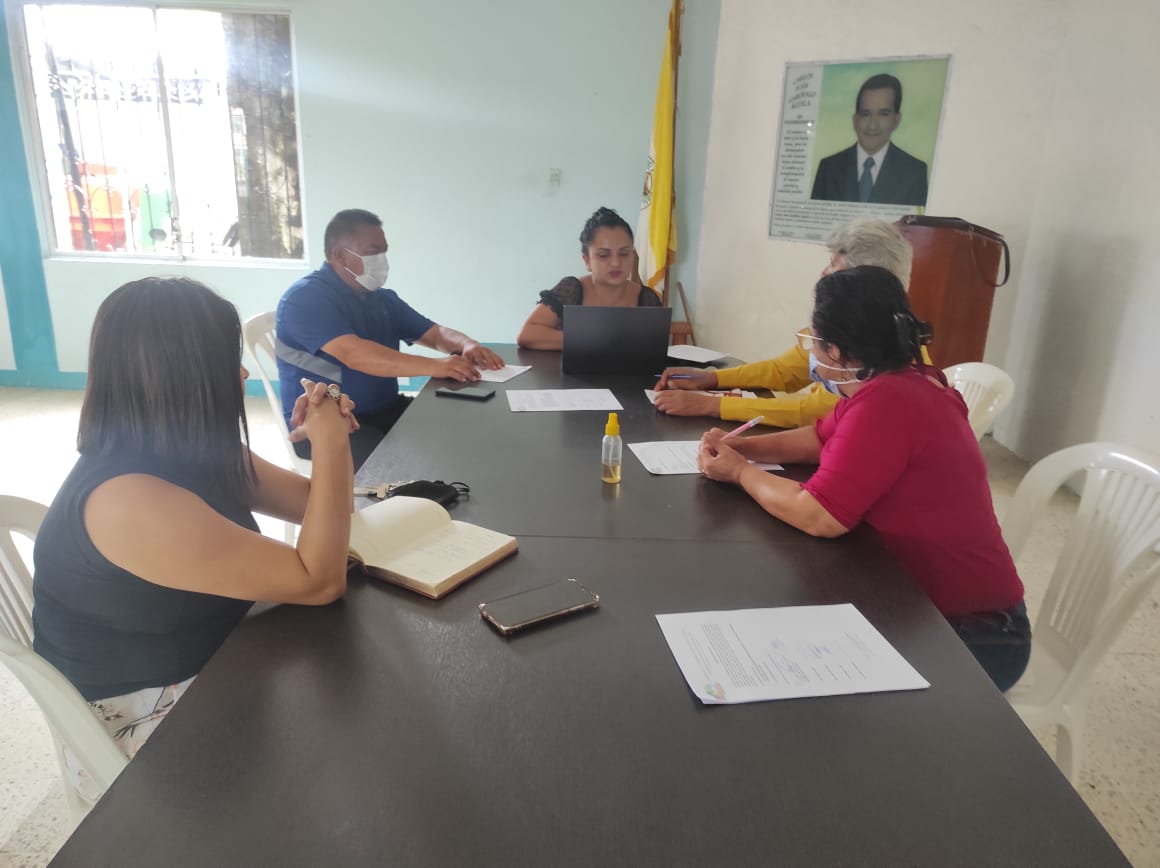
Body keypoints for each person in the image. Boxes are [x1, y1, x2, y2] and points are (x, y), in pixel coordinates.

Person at [33, 277, 359, 760]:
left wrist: (330, 435)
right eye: (227, 360)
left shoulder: (191, 446)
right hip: (148, 710)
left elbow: (323, 504)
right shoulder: (127, 502)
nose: (243, 373)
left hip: (221, 651)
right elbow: (319, 582)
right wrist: (328, 439)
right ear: (182, 374)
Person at [696, 266, 1030, 691]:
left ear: (835, 351)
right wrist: (743, 448)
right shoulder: (903, 382)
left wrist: (739, 472)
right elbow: (818, 439)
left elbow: (818, 515)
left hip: (975, 635)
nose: (812, 352)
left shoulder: (888, 403)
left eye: (815, 341)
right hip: (928, 606)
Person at [276, 208, 504, 469]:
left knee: (461, 430)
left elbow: (435, 333)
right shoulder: (305, 298)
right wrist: (436, 366)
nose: (382, 261)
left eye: (384, 252)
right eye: (373, 252)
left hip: (386, 410)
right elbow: (354, 354)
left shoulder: (382, 299)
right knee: (412, 467)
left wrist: (467, 344)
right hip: (328, 424)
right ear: (340, 255)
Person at [655, 218, 924, 427]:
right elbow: (784, 371)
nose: (824, 274)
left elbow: (814, 412)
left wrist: (710, 405)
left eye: (835, 267)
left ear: (867, 283)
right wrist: (712, 378)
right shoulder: (846, 325)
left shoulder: (894, 351)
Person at [517, 206, 661, 350]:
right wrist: (595, 339)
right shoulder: (571, 290)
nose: (616, 263)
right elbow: (527, 334)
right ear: (587, 261)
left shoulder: (647, 298)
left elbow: (655, 346)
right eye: (604, 255)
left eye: (624, 254)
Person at [810, 74, 928, 207]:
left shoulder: (914, 172)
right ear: (855, 120)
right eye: (865, 114)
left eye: (883, 114)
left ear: (896, 120)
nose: (872, 125)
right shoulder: (828, 168)